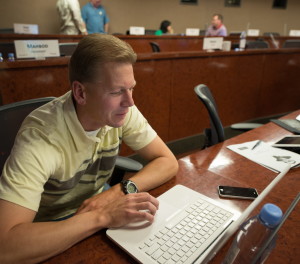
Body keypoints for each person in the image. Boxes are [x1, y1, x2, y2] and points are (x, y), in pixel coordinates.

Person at [0, 34, 178, 263]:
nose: (130, 102)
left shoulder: (121, 111)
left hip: (99, 208)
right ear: (81, 93)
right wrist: (101, 216)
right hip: (49, 228)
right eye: (116, 92)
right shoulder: (41, 137)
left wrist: (119, 191)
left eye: (131, 88)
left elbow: (167, 161)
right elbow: (6, 246)